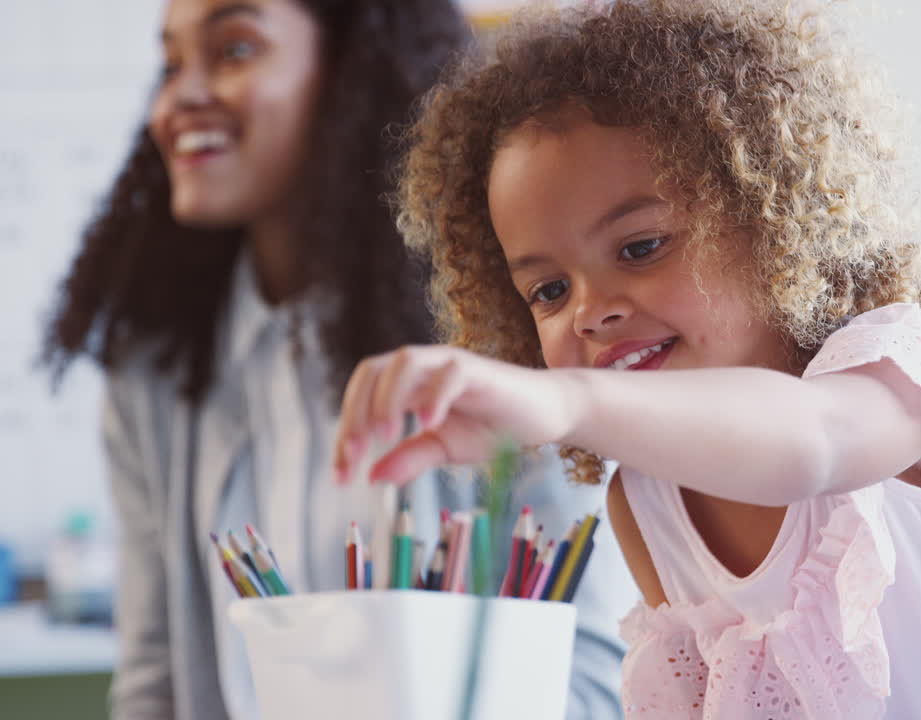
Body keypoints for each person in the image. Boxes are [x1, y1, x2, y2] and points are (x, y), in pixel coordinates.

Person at [331, 0, 921, 717]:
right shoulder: (646, 503)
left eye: (641, 246)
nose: (592, 311)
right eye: (546, 291)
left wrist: (569, 402)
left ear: (771, 221)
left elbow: (816, 442)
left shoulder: (909, 374)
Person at [43, 1, 633, 718]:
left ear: (353, 66)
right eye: (172, 64)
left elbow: (594, 679)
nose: (180, 97)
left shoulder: (502, 336)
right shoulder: (156, 371)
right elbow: (155, 682)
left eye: (233, 49)